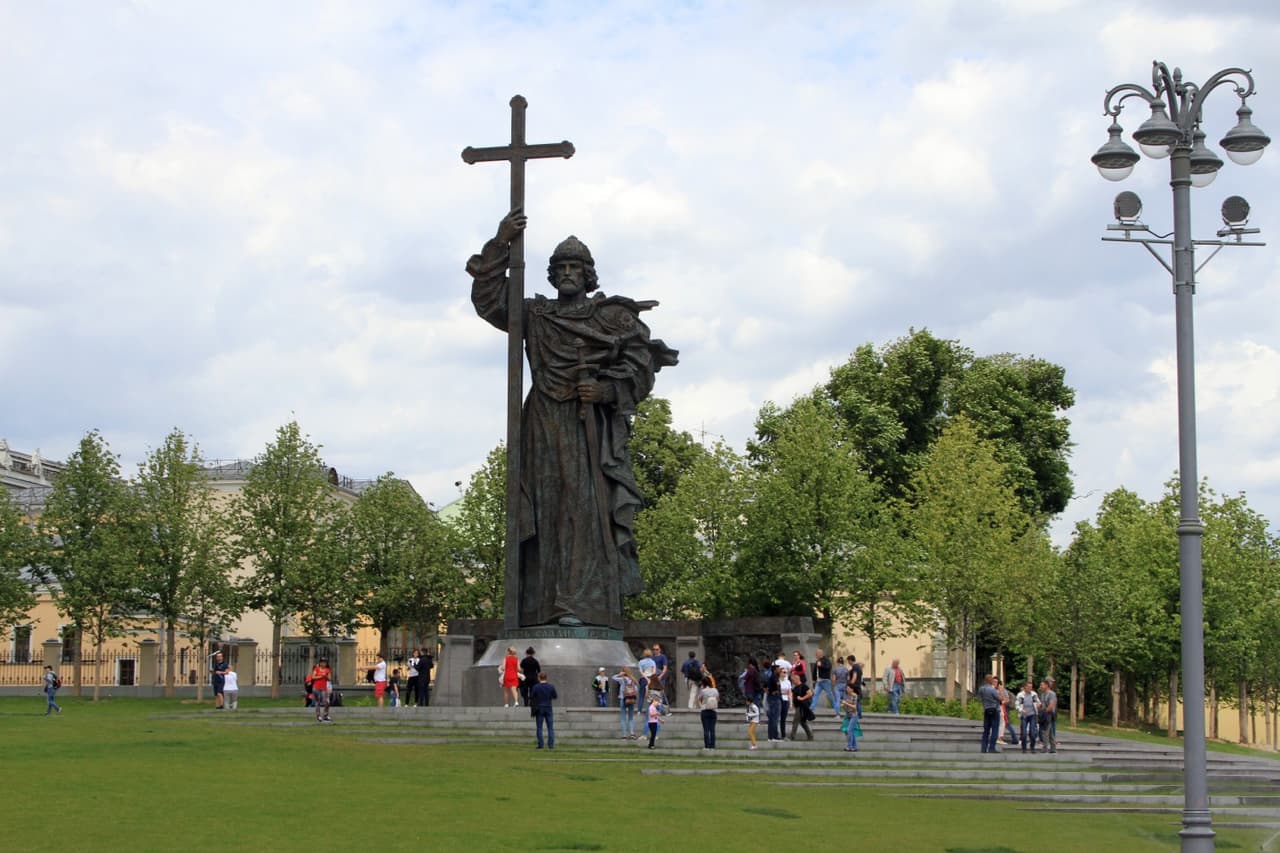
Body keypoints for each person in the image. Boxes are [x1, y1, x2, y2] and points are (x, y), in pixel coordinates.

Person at [467, 210, 678, 629]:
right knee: (543, 513)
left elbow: (641, 367)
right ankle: (539, 605)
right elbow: (490, 301)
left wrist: (605, 390)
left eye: (574, 268)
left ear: (587, 275)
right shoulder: (537, 315)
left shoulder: (609, 319)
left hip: (588, 428)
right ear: (551, 274)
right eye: (560, 267)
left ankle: (580, 605)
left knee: (580, 513)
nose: (567, 274)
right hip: (542, 422)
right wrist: (500, 242)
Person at [530, 671, 558, 749]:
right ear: (546, 678)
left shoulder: (536, 687)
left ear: (539, 678)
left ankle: (541, 744)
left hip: (539, 708)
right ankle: (551, 745)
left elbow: (532, 696)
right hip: (548, 707)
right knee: (550, 727)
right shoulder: (551, 686)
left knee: (539, 727)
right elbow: (555, 696)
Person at [613, 666, 639, 739]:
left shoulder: (622, 679)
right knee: (631, 717)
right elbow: (636, 690)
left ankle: (624, 735)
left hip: (623, 699)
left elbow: (613, 677)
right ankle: (632, 733)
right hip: (632, 699)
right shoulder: (633, 679)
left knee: (623, 718)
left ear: (623, 672)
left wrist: (619, 674)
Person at [978, 674, 1001, 753]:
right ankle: (991, 748)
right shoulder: (992, 689)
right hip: (995, 710)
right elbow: (999, 698)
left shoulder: (981, 689)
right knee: (995, 729)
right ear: (990, 680)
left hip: (986, 710)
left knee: (986, 730)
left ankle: (983, 748)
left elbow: (980, 698)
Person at [1015, 680, 1041, 752]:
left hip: (1032, 715)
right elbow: (1017, 705)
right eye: (1028, 687)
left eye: (1031, 687)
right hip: (1024, 715)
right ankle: (1024, 748)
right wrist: (1021, 710)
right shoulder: (1020, 695)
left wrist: (1039, 705)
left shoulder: (1034, 694)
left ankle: (1032, 747)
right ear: (1025, 687)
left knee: (1032, 733)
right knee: (1024, 733)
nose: (1030, 688)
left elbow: (1038, 702)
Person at [788, 672, 813, 741]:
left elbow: (810, 693)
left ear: (797, 679)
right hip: (797, 707)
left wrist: (802, 698)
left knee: (795, 721)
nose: (793, 682)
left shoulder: (804, 686)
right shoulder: (795, 688)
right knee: (802, 722)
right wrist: (792, 703)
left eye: (793, 680)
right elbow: (791, 694)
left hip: (801, 707)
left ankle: (792, 737)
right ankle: (810, 736)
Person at [697, 675, 719, 749]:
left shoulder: (703, 691)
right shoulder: (715, 690)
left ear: (703, 683)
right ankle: (712, 746)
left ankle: (707, 746)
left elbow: (699, 699)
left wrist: (701, 706)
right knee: (712, 729)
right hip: (713, 711)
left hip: (705, 711)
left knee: (706, 729)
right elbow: (718, 699)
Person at [810, 649, 835, 715]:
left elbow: (829, 667)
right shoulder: (817, 661)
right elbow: (815, 671)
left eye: (817, 654)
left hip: (825, 681)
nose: (816, 655)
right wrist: (814, 679)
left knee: (830, 695)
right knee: (815, 694)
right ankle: (812, 707)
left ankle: (835, 706)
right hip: (819, 681)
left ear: (820, 654)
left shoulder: (826, 660)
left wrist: (821, 665)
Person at [310, 658, 333, 723]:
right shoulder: (316, 669)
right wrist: (320, 676)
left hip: (323, 688)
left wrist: (325, 676)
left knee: (326, 702)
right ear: (320, 663)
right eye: (322, 662)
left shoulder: (328, 670)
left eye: (325, 662)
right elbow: (313, 677)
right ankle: (318, 716)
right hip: (316, 688)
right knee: (317, 702)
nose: (323, 664)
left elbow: (329, 679)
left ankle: (325, 715)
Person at [765, 664, 783, 742]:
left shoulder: (775, 678)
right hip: (774, 699)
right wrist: (773, 692)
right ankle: (773, 736)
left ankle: (771, 736)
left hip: (775, 698)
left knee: (773, 718)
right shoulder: (773, 678)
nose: (780, 670)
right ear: (775, 670)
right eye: (778, 669)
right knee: (774, 718)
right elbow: (766, 687)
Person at [1039, 677, 1058, 754]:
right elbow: (1042, 704)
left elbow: (1051, 705)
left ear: (1047, 685)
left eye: (1042, 685)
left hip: (1048, 715)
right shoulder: (1043, 694)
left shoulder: (1051, 694)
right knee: (1050, 733)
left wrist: (1045, 712)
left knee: (1045, 732)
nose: (1041, 687)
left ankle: (1045, 748)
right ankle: (1053, 748)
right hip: (1044, 714)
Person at [997, 678, 1017, 744]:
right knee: (1004, 723)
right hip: (1001, 708)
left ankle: (1015, 739)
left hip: (1005, 708)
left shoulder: (1003, 690)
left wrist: (1002, 701)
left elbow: (1007, 700)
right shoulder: (997, 690)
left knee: (1007, 724)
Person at [840, 684, 860, 752]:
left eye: (848, 688)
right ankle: (854, 747)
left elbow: (854, 707)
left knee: (849, 730)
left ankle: (849, 746)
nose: (847, 689)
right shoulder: (847, 696)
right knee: (850, 731)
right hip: (848, 716)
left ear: (852, 689)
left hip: (854, 716)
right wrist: (842, 705)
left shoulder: (854, 695)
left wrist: (846, 703)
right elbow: (846, 706)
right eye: (846, 688)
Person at [831, 653, 849, 718]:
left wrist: (833, 685)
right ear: (843, 662)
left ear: (837, 662)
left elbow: (834, 679)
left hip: (838, 685)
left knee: (837, 700)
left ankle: (838, 715)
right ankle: (848, 714)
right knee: (846, 700)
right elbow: (848, 679)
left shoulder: (835, 669)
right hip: (845, 685)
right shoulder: (846, 669)